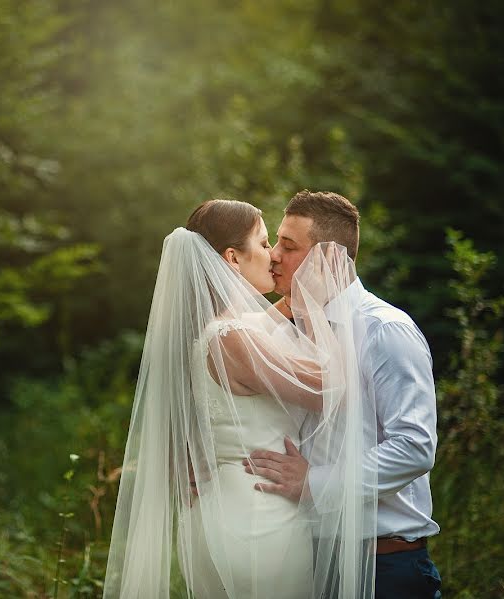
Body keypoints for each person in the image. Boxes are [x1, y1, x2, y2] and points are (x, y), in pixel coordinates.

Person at [103, 199, 377, 598]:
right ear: (232, 257)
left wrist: (295, 297)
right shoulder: (234, 338)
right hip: (257, 519)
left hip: (220, 512)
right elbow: (330, 387)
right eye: (265, 244)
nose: (274, 256)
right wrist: (316, 299)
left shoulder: (217, 330)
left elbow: (267, 323)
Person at [244, 190, 442, 599]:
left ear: (330, 259)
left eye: (289, 245)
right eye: (276, 242)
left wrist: (315, 484)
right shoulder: (286, 330)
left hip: (384, 567)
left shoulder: (384, 330)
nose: (274, 256)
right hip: (305, 561)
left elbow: (414, 447)